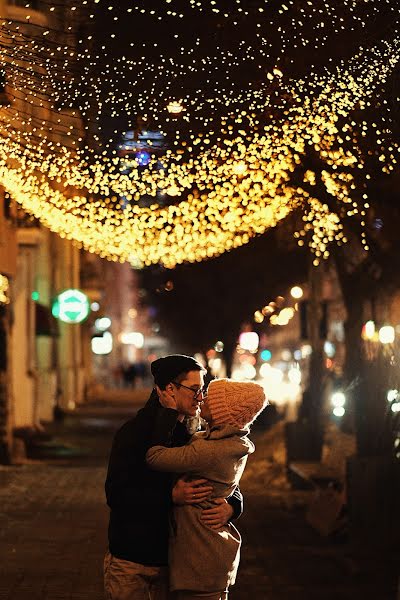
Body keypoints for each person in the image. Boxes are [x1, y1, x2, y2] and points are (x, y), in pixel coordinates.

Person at [104, 355, 243, 600]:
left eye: (203, 390)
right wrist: (170, 496)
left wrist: (232, 506)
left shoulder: (191, 433)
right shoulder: (136, 432)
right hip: (133, 562)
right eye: (195, 390)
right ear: (170, 389)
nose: (201, 398)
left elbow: (224, 475)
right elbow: (117, 494)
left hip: (176, 563)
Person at [146, 378, 268, 600]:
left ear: (223, 412)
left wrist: (169, 412)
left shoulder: (208, 451)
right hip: (209, 556)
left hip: (201, 560)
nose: (202, 398)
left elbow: (154, 457)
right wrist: (234, 505)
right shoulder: (231, 444)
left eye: (211, 396)